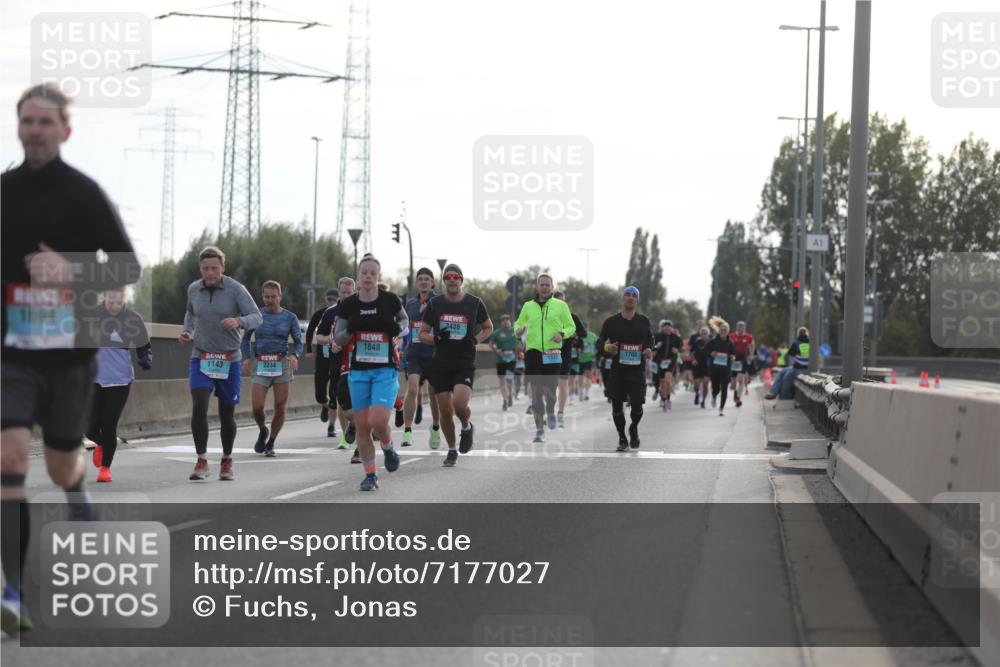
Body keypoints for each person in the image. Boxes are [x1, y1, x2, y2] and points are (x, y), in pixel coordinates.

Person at [2, 84, 141, 634]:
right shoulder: (5, 191)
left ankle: (76, 491)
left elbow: (128, 269)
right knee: (11, 459)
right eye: (26, 121)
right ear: (18, 127)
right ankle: (12, 589)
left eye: (44, 122)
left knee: (60, 463)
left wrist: (74, 271)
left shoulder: (85, 194)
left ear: (65, 130)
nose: (34, 130)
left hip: (70, 354)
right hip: (12, 349)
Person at [180, 245, 263, 481]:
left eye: (214, 268)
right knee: (199, 405)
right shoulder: (193, 289)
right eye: (205, 269)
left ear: (222, 268)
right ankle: (202, 460)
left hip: (229, 359)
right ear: (200, 269)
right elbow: (189, 313)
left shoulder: (236, 290)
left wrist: (238, 321)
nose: (210, 273)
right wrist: (187, 331)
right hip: (201, 356)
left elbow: (257, 317)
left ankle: (226, 460)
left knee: (227, 413)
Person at [332, 256, 407, 491]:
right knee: (363, 426)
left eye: (372, 273)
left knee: (378, 421)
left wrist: (397, 330)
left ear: (378, 276)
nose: (368, 276)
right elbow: (338, 337)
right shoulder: (349, 305)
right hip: (359, 371)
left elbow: (405, 322)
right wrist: (351, 329)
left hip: (385, 369)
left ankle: (388, 446)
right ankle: (371, 475)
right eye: (364, 272)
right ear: (358, 276)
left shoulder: (390, 300)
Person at [420, 264, 492, 467]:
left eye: (456, 277)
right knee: (444, 409)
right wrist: (435, 338)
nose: (452, 280)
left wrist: (476, 340)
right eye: (448, 277)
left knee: (459, 404)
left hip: (464, 361)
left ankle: (467, 427)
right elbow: (422, 333)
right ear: (444, 281)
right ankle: (452, 449)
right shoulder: (435, 304)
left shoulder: (474, 303)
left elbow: (488, 327)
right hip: (441, 362)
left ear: (461, 280)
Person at [87, 289, 152, 483]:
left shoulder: (132, 318)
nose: (114, 301)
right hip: (92, 379)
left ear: (123, 296)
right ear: (104, 295)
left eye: (118, 296)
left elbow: (143, 345)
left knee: (108, 424)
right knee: (87, 427)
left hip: (119, 380)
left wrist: (145, 359)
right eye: (110, 296)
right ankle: (102, 444)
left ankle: (105, 468)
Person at [241, 280, 302, 457]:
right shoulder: (256, 315)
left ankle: (272, 442)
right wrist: (246, 358)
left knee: (280, 405)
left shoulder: (290, 317)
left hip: (281, 363)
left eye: (273, 297)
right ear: (262, 297)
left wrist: (295, 355)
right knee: (257, 407)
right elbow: (245, 339)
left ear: (280, 296)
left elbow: (299, 342)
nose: (270, 300)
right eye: (266, 297)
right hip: (261, 363)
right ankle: (262, 430)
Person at [514, 274, 577, 443]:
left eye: (547, 285)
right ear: (537, 287)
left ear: (552, 287)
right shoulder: (528, 306)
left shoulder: (561, 306)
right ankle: (539, 429)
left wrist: (562, 334)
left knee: (550, 390)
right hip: (533, 353)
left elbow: (572, 326)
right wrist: (518, 330)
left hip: (553, 354)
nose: (544, 287)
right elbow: (518, 324)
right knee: (536, 392)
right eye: (541, 284)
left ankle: (550, 410)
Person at [598, 286, 653, 451]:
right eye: (627, 295)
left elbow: (650, 340)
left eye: (633, 295)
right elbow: (599, 343)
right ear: (622, 299)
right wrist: (608, 348)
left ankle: (634, 428)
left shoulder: (644, 321)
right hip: (618, 371)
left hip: (637, 371)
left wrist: (649, 350)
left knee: (637, 405)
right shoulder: (611, 322)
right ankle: (622, 438)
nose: (630, 298)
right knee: (616, 406)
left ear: (637, 300)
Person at [315, 277, 358, 449]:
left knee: (361, 399)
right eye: (343, 292)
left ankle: (360, 437)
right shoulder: (331, 312)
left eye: (349, 292)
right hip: (338, 361)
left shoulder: (361, 310)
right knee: (342, 400)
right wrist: (331, 340)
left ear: (355, 291)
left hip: (360, 361)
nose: (346, 295)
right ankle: (346, 435)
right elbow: (319, 336)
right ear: (338, 292)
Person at [401, 268, 441, 447]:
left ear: (433, 282)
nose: (423, 282)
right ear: (417, 282)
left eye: (427, 279)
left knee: (433, 394)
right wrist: (403, 346)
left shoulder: (439, 301)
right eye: (420, 279)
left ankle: (435, 428)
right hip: (415, 353)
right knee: (412, 389)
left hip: (433, 354)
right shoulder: (410, 304)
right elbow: (406, 327)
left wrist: (430, 310)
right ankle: (408, 431)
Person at [305, 288, 339, 437]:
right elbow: (310, 330)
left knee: (334, 392)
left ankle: (331, 426)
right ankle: (324, 406)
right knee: (320, 394)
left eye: (333, 299)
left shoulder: (341, 314)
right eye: (329, 299)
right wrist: (309, 350)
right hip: (322, 356)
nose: (331, 302)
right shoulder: (321, 314)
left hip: (337, 356)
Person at [553, 291, 586, 427]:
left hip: (565, 355)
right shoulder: (547, 316)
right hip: (548, 353)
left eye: (563, 302)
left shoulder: (572, 317)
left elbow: (583, 333)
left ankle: (560, 413)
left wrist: (574, 334)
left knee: (562, 385)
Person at [765, 328, 810, 400]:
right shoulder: (811, 343)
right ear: (807, 334)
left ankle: (779, 398)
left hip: (797, 369)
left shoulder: (796, 343)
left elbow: (791, 355)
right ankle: (773, 393)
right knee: (783, 371)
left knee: (785, 379)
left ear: (798, 334)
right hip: (808, 369)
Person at [706, 316, 736, 416]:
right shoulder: (713, 341)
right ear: (719, 330)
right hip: (715, 369)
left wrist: (732, 357)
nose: (723, 331)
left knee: (724, 388)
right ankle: (714, 396)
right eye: (722, 329)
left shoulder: (730, 343)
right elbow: (706, 350)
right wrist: (711, 353)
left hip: (726, 369)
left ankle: (721, 409)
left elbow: (733, 354)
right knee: (716, 389)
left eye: (725, 330)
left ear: (728, 331)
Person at [489, 313, 518, 411]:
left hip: (512, 359)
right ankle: (505, 400)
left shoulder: (515, 331)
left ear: (510, 321)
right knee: (502, 381)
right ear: (501, 323)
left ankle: (509, 395)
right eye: (503, 320)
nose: (506, 322)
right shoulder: (497, 332)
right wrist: (496, 350)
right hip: (501, 359)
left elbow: (522, 341)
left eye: (507, 320)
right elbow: (491, 344)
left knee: (509, 379)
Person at [653, 319, 681, 411]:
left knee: (668, 379)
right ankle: (663, 399)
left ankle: (668, 400)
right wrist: (657, 346)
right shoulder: (657, 336)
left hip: (671, 361)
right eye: (665, 327)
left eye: (669, 327)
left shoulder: (676, 338)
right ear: (663, 328)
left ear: (671, 328)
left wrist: (677, 350)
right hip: (660, 361)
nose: (667, 329)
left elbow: (681, 349)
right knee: (662, 383)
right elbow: (651, 347)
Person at [729, 320, 754, 407]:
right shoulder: (732, 336)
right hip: (733, 360)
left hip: (743, 360)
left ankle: (738, 398)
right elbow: (728, 346)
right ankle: (735, 393)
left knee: (741, 380)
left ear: (744, 327)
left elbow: (751, 346)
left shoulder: (748, 336)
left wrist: (751, 355)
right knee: (733, 382)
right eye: (739, 326)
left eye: (742, 326)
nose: (741, 328)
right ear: (737, 327)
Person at [690, 326, 711, 408]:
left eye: (705, 334)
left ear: (708, 334)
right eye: (702, 334)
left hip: (707, 366)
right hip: (697, 365)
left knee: (706, 384)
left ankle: (703, 401)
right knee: (696, 385)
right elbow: (691, 352)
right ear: (700, 334)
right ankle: (697, 394)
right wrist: (693, 360)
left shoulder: (711, 342)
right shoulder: (697, 342)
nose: (704, 335)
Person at [577, 327, 598, 402]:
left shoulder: (593, 336)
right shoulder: (578, 336)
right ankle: (581, 393)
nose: (585, 329)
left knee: (588, 376)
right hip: (579, 359)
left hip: (589, 359)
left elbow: (598, 345)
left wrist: (595, 352)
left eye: (586, 328)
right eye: (583, 328)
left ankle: (587, 394)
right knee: (580, 378)